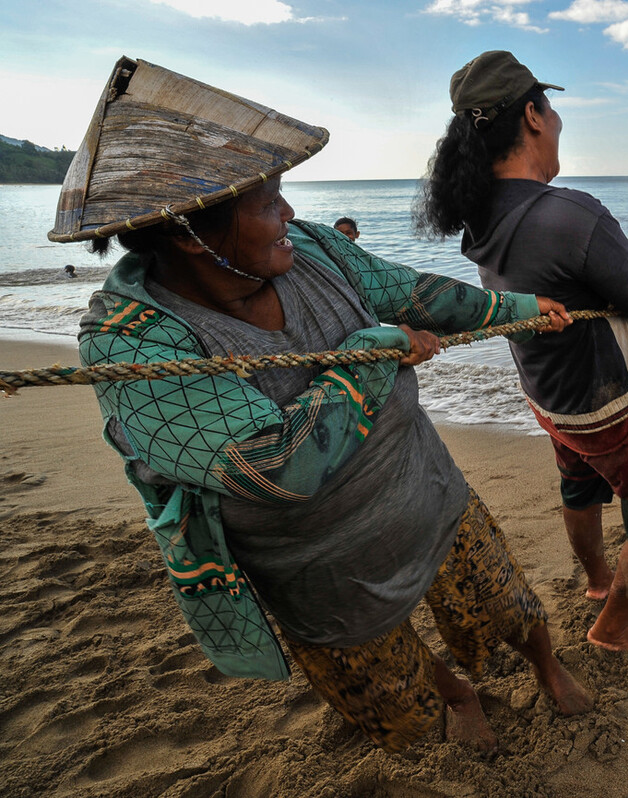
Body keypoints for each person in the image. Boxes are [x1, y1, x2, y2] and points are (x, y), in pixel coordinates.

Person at [47, 56, 589, 756]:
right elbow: (275, 470)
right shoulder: (131, 344)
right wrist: (367, 354)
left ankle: (547, 666)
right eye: (268, 201)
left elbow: (411, 294)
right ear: (188, 230)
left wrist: (516, 307)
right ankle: (454, 692)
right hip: (315, 569)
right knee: (390, 683)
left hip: (422, 490)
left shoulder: (309, 248)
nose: (290, 214)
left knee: (505, 603)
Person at [413, 50, 628, 660]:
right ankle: (613, 626)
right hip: (615, 405)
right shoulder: (570, 213)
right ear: (535, 116)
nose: (560, 118)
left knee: (580, 485)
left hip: (552, 400)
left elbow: (575, 283)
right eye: (553, 106)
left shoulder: (484, 219)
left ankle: (598, 580)